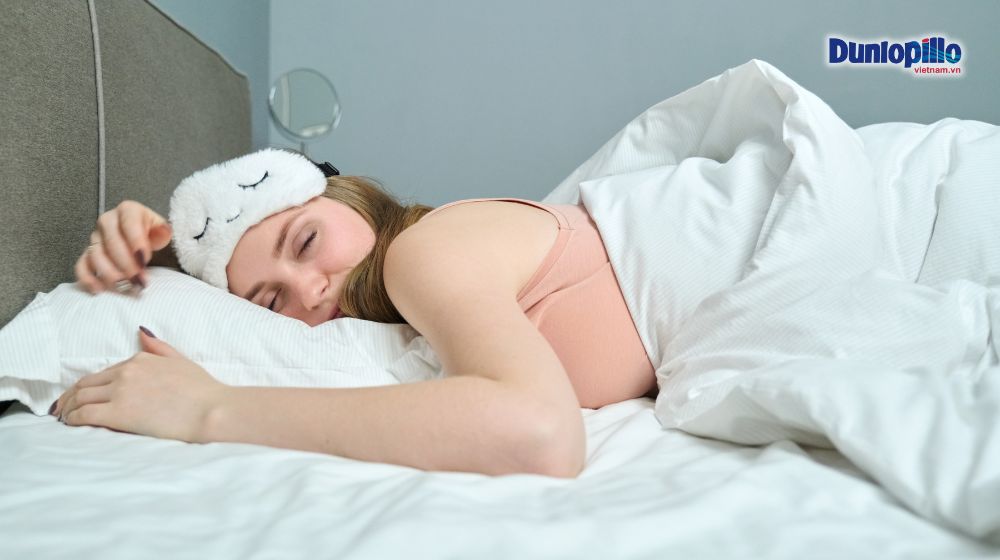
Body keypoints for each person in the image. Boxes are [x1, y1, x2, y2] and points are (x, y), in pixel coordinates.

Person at [54, 148, 657, 478]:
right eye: (271, 301)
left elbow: (542, 435)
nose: (310, 290)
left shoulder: (426, 251)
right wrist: (157, 248)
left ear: (350, 200)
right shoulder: (421, 310)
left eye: (307, 242)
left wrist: (209, 408)